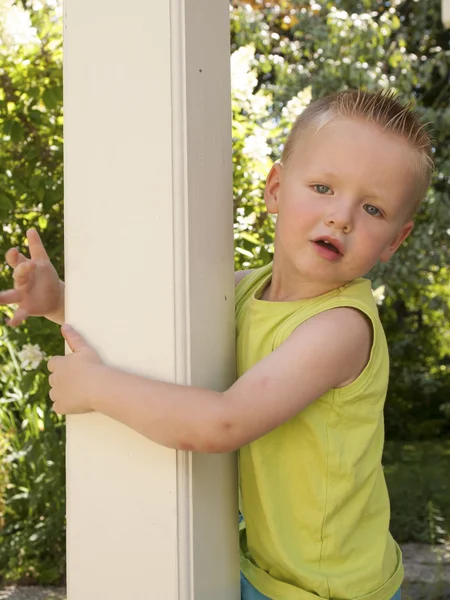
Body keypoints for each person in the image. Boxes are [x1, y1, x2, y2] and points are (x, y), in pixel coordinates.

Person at [0, 89, 433, 600]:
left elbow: (222, 423)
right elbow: (157, 326)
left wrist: (97, 389)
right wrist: (60, 302)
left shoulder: (339, 328)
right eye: (322, 187)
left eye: (373, 209)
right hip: (268, 572)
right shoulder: (248, 289)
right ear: (275, 189)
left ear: (394, 241)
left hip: (333, 589)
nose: (342, 217)